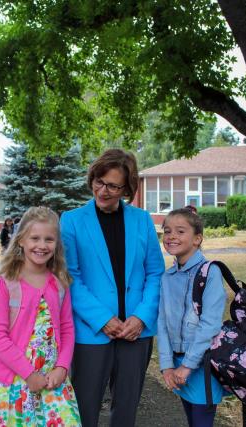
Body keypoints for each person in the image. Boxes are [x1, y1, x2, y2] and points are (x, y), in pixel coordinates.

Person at [60, 149, 165, 427]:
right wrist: (102, 319)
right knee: (84, 409)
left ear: (126, 189)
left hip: (136, 332)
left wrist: (141, 317)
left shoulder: (142, 220)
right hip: (91, 331)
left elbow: (155, 273)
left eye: (113, 186)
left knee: (126, 410)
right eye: (99, 182)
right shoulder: (71, 220)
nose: (103, 191)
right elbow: (69, 276)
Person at [0, 207, 81, 426]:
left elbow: (67, 328)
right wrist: (29, 375)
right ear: (21, 240)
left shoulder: (59, 283)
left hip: (52, 383)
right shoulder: (6, 283)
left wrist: (62, 367)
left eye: (49, 239)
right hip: (11, 386)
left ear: (57, 244)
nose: (42, 245)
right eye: (35, 238)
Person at [158, 207, 227, 427]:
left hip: (203, 365)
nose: (171, 236)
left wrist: (187, 366)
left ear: (197, 239)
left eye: (180, 231)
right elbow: (162, 323)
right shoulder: (167, 277)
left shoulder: (210, 273)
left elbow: (210, 325)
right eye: (167, 231)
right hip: (178, 365)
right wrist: (167, 365)